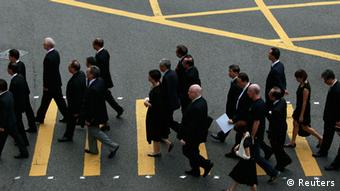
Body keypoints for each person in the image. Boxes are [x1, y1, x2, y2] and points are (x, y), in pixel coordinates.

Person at [80, 66, 119, 159]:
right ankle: (93, 149)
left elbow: (92, 106)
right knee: (91, 130)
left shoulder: (93, 89)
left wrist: (89, 119)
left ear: (92, 75)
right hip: (101, 111)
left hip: (94, 115)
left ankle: (113, 146)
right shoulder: (100, 81)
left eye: (88, 72)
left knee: (94, 131)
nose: (86, 73)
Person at [178, 84, 213, 177]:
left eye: (190, 92)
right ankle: (195, 170)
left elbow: (192, 126)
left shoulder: (196, 107)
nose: (188, 93)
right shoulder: (202, 101)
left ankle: (206, 164)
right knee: (194, 151)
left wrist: (185, 138)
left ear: (196, 93)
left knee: (187, 151)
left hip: (194, 135)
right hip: (198, 133)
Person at [247, 84, 279, 183]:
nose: (247, 93)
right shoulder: (258, 102)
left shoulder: (258, 105)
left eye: (249, 91)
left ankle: (273, 172)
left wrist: (252, 136)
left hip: (256, 135)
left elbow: (257, 122)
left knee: (256, 156)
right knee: (253, 155)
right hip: (256, 134)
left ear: (253, 92)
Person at [285, 69, 322, 148]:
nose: (296, 79)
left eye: (297, 78)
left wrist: (301, 115)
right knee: (295, 123)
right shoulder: (303, 83)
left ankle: (320, 138)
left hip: (303, 109)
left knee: (305, 127)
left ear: (301, 78)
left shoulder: (305, 88)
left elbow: (304, 102)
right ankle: (292, 142)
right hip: (299, 107)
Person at [36, 37, 68, 124]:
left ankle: (40, 117)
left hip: (50, 86)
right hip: (56, 82)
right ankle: (67, 116)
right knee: (59, 101)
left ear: (48, 45)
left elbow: (47, 74)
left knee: (45, 102)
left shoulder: (48, 58)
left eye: (44, 44)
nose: (43, 45)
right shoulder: (56, 53)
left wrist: (45, 86)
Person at [144, 70, 174, 157]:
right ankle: (168, 143)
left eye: (149, 76)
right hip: (160, 114)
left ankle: (157, 152)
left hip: (155, 115)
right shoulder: (159, 85)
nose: (148, 77)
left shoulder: (157, 91)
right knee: (158, 131)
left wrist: (146, 103)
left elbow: (156, 106)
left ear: (152, 78)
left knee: (154, 132)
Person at [92, 38, 124, 118]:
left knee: (102, 98)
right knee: (107, 97)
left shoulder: (100, 56)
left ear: (96, 45)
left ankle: (102, 115)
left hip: (103, 81)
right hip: (105, 80)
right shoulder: (105, 52)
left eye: (93, 44)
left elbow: (102, 70)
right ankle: (118, 109)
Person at [211, 64, 242, 142]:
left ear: (236, 73)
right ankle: (221, 135)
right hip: (231, 106)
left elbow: (236, 98)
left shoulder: (237, 83)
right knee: (229, 120)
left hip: (233, 107)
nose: (229, 73)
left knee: (231, 121)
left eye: (230, 71)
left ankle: (222, 136)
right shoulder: (235, 81)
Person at [313, 70, 340, 158]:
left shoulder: (337, 89)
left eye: (325, 80)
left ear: (330, 79)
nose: (324, 82)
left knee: (328, 135)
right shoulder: (335, 86)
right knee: (327, 134)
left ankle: (323, 151)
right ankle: (323, 150)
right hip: (330, 117)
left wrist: (337, 120)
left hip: (332, 119)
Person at [8, 49, 37, 133]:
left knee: (20, 112)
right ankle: (32, 126)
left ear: (13, 57)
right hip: (24, 91)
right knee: (28, 110)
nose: (9, 58)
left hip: (21, 93)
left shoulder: (16, 67)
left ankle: (19, 130)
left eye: (9, 56)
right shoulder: (21, 64)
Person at [58, 60, 86, 142]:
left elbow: (76, 97)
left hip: (73, 106)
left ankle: (68, 136)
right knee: (72, 120)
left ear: (73, 69)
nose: (68, 68)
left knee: (71, 122)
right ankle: (81, 122)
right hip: (77, 104)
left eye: (69, 66)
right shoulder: (81, 74)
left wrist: (76, 111)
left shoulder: (75, 82)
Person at [225, 73, 252, 158]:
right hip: (241, 117)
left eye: (239, 82)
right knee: (241, 135)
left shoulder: (249, 91)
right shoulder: (245, 88)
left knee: (241, 135)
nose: (238, 84)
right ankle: (236, 151)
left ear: (244, 81)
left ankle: (235, 152)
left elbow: (245, 109)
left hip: (244, 119)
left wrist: (234, 119)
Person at [0, 79, 29, 159]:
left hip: (5, 124)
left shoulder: (2, 100)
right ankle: (24, 152)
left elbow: (3, 114)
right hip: (12, 120)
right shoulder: (9, 94)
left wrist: (1, 126)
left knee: (2, 139)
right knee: (17, 137)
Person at [267, 87, 292, 172]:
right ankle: (284, 160)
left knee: (277, 147)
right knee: (278, 147)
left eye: (270, 94)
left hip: (277, 131)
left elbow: (272, 120)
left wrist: (268, 113)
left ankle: (282, 163)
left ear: (274, 97)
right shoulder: (282, 100)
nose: (268, 94)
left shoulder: (276, 110)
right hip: (281, 128)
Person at [226, 125, 257, 191]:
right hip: (247, 162)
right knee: (238, 176)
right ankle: (231, 190)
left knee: (251, 182)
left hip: (248, 163)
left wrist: (237, 153)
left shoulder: (246, 142)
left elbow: (248, 156)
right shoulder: (247, 134)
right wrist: (238, 146)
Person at [7, 63, 30, 146]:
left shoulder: (14, 81)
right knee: (18, 124)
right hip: (21, 105)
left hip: (16, 107)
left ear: (10, 70)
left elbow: (13, 96)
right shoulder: (20, 77)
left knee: (18, 124)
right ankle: (22, 140)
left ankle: (22, 141)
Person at [159, 59, 180, 133]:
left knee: (168, 120)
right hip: (174, 101)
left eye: (160, 66)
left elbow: (167, 92)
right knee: (167, 118)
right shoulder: (173, 73)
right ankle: (165, 132)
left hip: (169, 103)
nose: (160, 68)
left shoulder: (167, 77)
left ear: (164, 67)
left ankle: (181, 131)